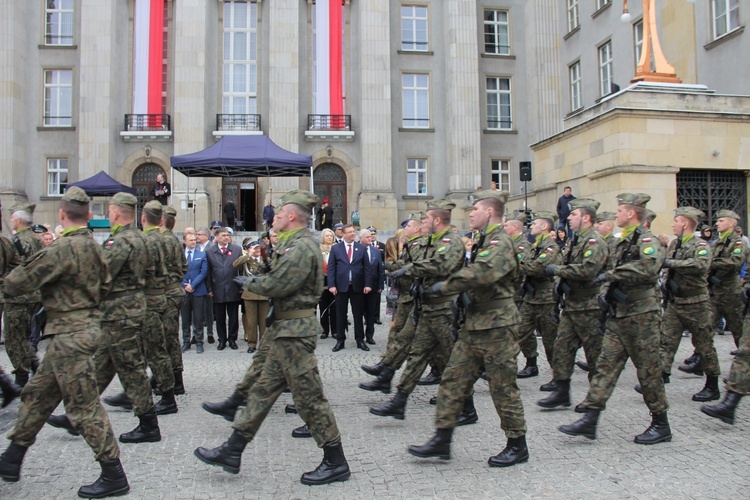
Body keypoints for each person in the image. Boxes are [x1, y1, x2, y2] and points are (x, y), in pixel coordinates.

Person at [194, 189, 351, 486]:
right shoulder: (291, 246)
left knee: (309, 399)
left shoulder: (303, 247)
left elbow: (281, 285)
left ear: (291, 216)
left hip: (295, 333)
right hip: (284, 331)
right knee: (263, 391)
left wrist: (254, 281)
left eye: (278, 213)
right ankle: (233, 449)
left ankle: (336, 461)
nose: (274, 218)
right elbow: (281, 277)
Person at [0, 186, 130, 498]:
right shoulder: (97, 249)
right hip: (78, 332)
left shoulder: (61, 250)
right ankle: (11, 458)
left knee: (83, 407)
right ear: (88, 216)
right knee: (37, 395)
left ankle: (114, 473)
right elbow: (107, 286)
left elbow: (17, 283)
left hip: (70, 337)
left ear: (61, 214)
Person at [407, 190, 529, 467]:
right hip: (475, 325)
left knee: (502, 387)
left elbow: (480, 273)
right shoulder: (485, 240)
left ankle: (517, 444)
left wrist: (445, 286)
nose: (470, 213)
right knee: (452, 379)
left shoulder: (500, 242)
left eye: (475, 208)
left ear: (489, 212)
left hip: (497, 326)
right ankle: (442, 439)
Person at [47, 192, 163, 444]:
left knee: (130, 369)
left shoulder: (120, 242)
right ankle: (77, 415)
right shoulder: (142, 239)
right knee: (101, 365)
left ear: (115, 212)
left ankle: (148, 424)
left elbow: (101, 273)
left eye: (109, 211)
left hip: (120, 314)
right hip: (127, 311)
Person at [559, 193, 671, 445]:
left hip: (642, 315)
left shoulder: (647, 240)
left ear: (631, 213)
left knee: (648, 370)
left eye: (620, 210)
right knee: (605, 367)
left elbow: (650, 266)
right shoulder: (621, 243)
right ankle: (590, 417)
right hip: (619, 314)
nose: (616, 214)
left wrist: (613, 274)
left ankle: (660, 423)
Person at [370, 200, 464, 420]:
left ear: (437, 220)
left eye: (427, 219)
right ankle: (399, 401)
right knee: (417, 355)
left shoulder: (450, 242)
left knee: (454, 361)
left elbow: (438, 265)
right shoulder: (433, 241)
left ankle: (466, 407)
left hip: (444, 310)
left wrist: (406, 269)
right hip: (428, 308)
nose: (423, 223)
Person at [103, 200, 177, 416]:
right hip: (157, 297)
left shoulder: (147, 240)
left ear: (143, 218)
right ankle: (135, 393)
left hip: (147, 301)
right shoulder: (156, 239)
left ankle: (166, 397)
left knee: (153, 350)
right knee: (144, 350)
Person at [537, 199, 609, 412]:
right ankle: (561, 391)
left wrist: (556, 272)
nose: (568, 217)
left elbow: (587, 270)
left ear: (586, 217)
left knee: (594, 354)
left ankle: (595, 399)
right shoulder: (574, 241)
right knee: (562, 347)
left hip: (589, 306)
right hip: (572, 305)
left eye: (573, 214)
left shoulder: (594, 242)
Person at [655, 207, 722, 403]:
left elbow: (700, 265)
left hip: (696, 303)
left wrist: (671, 264)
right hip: (676, 302)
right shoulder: (675, 244)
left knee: (704, 345)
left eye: (676, 221)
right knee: (666, 341)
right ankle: (660, 377)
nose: (673, 224)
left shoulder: (700, 245)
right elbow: (666, 269)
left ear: (685, 224)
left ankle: (712, 385)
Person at [359, 214, 425, 394]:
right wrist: (383, 266)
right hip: (406, 296)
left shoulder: (420, 245)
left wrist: (393, 268)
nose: (406, 229)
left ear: (417, 228)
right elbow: (402, 264)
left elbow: (416, 267)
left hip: (415, 298)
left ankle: (387, 373)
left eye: (409, 226)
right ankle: (385, 370)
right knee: (397, 332)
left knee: (411, 340)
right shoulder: (411, 245)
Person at [515, 211, 563, 386]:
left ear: (545, 227)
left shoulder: (550, 246)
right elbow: (528, 264)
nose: (531, 226)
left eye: (535, 224)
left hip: (546, 300)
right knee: (519, 332)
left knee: (551, 341)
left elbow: (537, 267)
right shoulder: (535, 246)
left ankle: (559, 378)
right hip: (530, 298)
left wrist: (516, 266)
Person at [4, 202, 42, 387]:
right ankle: (35, 368)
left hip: (18, 297)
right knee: (24, 336)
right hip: (33, 295)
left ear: (18, 220)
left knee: (14, 338)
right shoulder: (37, 239)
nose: (10, 221)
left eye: (12, 218)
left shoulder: (18, 241)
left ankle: (21, 377)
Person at [327, 224, 372, 352]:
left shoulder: (361, 248)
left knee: (358, 315)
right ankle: (340, 340)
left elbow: (367, 268)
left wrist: (367, 284)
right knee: (341, 314)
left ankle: (360, 340)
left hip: (357, 286)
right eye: (350, 232)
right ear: (343, 234)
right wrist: (332, 285)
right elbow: (331, 268)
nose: (353, 234)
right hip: (341, 287)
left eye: (354, 231)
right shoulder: (336, 249)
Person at [160, 206, 188, 395]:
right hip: (175, 290)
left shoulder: (162, 241)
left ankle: (173, 382)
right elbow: (184, 266)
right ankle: (172, 379)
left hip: (167, 294)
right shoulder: (176, 241)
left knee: (166, 339)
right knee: (170, 338)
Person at [205, 227, 243, 350]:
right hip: (218, 288)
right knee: (220, 317)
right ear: (216, 237)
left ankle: (232, 339)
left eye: (227, 235)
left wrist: (241, 286)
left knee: (233, 317)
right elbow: (209, 272)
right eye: (223, 235)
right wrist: (209, 288)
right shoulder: (210, 251)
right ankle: (222, 340)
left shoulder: (236, 250)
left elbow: (241, 270)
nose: (226, 237)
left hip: (233, 288)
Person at [233, 240, 269, 354]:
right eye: (255, 248)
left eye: (259, 248)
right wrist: (249, 255)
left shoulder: (265, 259)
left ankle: (264, 344)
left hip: (264, 294)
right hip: (250, 294)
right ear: (249, 249)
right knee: (252, 322)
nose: (257, 250)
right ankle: (252, 344)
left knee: (264, 322)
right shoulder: (246, 261)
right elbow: (235, 264)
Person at [181, 232, 208, 353]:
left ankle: (199, 341)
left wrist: (193, 285)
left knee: (198, 318)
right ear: (184, 241)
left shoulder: (201, 255)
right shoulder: (180, 256)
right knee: (185, 318)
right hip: (184, 291)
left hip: (198, 290)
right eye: (190, 240)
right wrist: (184, 284)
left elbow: (203, 272)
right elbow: (176, 271)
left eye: (194, 240)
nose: (193, 242)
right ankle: (186, 341)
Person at [360, 229, 385, 345]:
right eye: (367, 237)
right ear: (360, 238)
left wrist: (380, 285)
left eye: (370, 237)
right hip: (359, 287)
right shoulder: (357, 250)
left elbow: (380, 269)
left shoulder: (376, 251)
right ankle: (359, 336)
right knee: (359, 312)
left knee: (371, 313)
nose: (370, 239)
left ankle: (369, 336)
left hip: (374, 287)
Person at [318, 228, 337, 339]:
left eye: (331, 235)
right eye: (327, 236)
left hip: (334, 281)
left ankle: (335, 330)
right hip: (322, 282)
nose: (329, 237)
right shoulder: (318, 250)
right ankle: (325, 330)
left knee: (334, 307)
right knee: (323, 307)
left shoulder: (337, 248)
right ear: (323, 237)